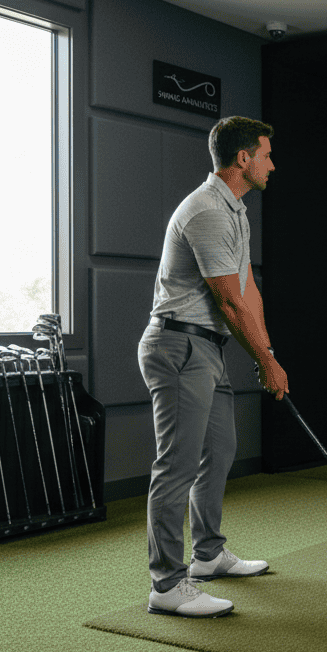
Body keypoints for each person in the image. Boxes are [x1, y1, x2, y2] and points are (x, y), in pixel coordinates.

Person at [139, 115, 290, 618]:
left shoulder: (237, 211)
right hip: (179, 347)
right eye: (266, 154)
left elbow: (249, 292)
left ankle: (207, 555)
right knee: (176, 465)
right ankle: (166, 583)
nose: (273, 163)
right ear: (243, 159)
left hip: (209, 349)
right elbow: (228, 302)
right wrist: (265, 362)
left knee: (219, 449)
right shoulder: (206, 210)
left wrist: (269, 354)